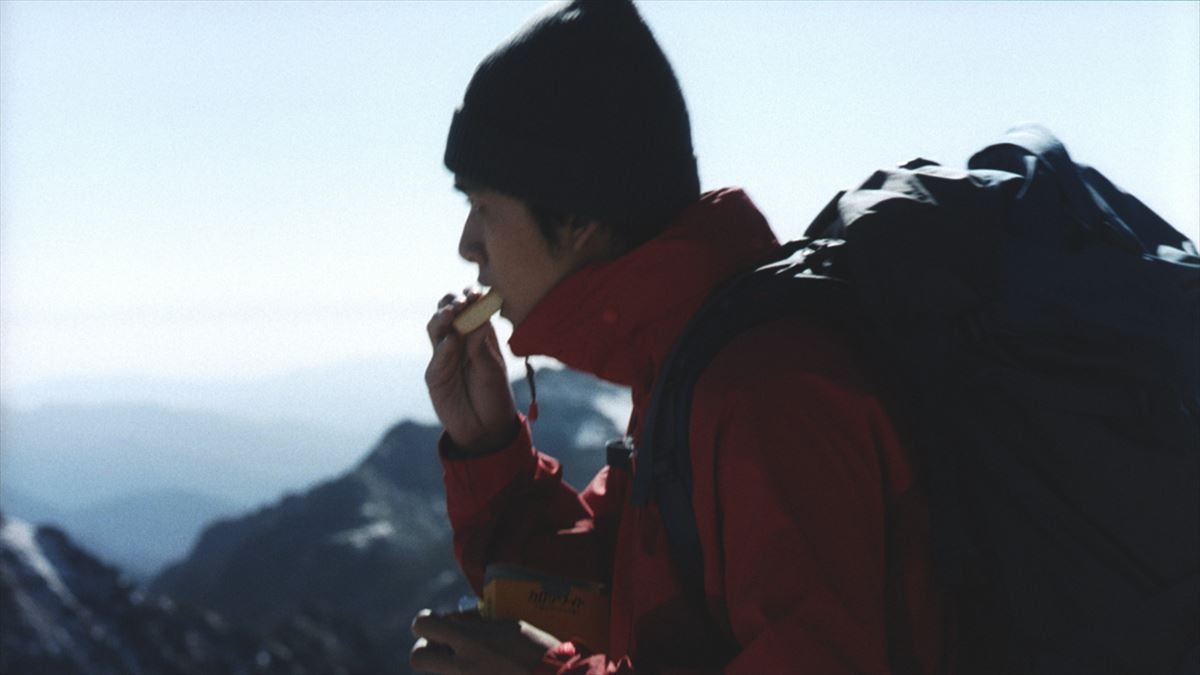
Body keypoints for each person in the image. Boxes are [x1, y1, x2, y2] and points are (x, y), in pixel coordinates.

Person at [412, 1, 945, 673]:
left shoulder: (767, 391)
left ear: (575, 214)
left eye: (484, 208)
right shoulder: (684, 367)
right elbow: (607, 594)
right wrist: (487, 443)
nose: (468, 246)